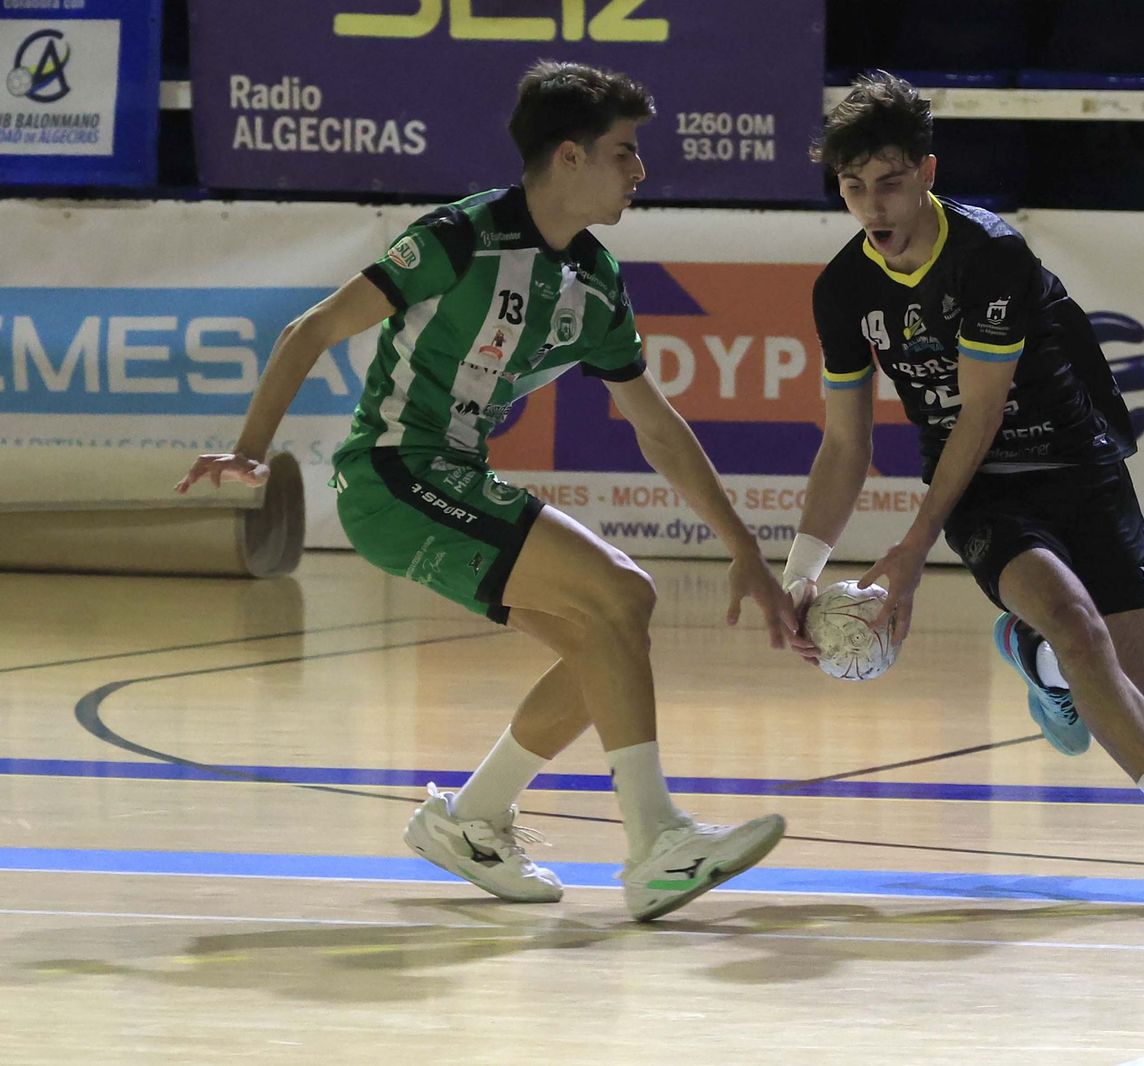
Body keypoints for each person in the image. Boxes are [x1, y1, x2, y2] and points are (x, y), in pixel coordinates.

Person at [176, 61, 795, 922]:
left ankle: (470, 819)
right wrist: (250, 452)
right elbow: (311, 329)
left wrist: (743, 547)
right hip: (395, 473)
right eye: (625, 151)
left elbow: (656, 426)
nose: (640, 170)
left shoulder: (596, 281)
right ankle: (658, 844)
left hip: (452, 476)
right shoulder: (460, 238)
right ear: (570, 157)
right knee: (624, 593)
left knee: (607, 640)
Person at [782, 72, 1144, 898]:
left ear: (927, 173)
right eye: (853, 187)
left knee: (1140, 694)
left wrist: (910, 550)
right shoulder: (843, 289)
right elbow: (847, 442)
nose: (873, 207)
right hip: (982, 490)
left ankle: (1034, 656)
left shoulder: (989, 253)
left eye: (889, 183)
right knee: (1077, 622)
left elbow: (983, 409)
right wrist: (799, 575)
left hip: (1079, 465)